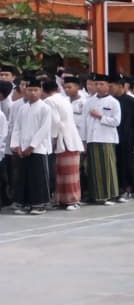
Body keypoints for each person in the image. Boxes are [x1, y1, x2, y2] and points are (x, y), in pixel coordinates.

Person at [8, 81, 52, 214]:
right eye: (30, 90)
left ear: (40, 91)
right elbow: (17, 127)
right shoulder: (23, 108)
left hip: (38, 149)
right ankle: (23, 203)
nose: (33, 93)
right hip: (22, 149)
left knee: (37, 177)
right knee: (23, 177)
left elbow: (44, 129)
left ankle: (39, 205)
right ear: (25, 91)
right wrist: (16, 145)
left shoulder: (45, 108)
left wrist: (32, 146)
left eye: (36, 90)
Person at [44, 77, 83, 210]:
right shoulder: (63, 99)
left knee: (67, 172)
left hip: (64, 139)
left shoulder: (49, 101)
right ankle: (63, 200)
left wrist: (53, 137)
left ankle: (72, 200)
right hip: (70, 137)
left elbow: (55, 122)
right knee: (65, 172)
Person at [82, 76, 122, 206]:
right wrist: (84, 140)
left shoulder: (113, 102)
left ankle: (109, 195)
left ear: (107, 86)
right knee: (93, 168)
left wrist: (101, 116)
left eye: (101, 84)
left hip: (106, 138)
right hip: (92, 138)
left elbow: (116, 121)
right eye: (96, 84)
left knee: (107, 167)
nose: (98, 86)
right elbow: (84, 122)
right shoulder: (89, 102)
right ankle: (95, 195)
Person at [110, 76, 134, 202]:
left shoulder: (132, 102)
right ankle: (118, 189)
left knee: (129, 164)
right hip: (114, 137)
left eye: (112, 86)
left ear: (121, 86)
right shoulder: (110, 101)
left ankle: (128, 189)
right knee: (117, 164)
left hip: (129, 138)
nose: (110, 89)